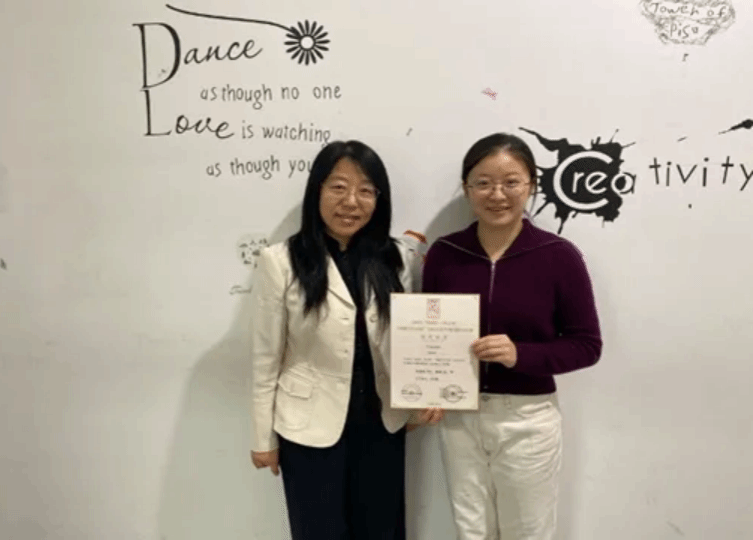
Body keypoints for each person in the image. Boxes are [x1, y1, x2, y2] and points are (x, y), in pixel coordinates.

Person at [250, 140, 442, 540]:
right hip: (308, 427)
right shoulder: (280, 261)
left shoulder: (397, 258)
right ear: (316, 190)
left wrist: (424, 396)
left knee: (381, 530)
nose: (351, 202)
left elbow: (412, 340)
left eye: (365, 190)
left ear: (378, 199)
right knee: (318, 531)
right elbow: (266, 357)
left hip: (382, 423)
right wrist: (263, 437)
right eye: (338, 187)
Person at [422, 133, 603, 540]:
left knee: (528, 532)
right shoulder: (445, 254)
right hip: (459, 417)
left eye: (511, 182)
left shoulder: (559, 256)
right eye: (483, 183)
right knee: (471, 531)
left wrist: (520, 354)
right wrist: (428, 389)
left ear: (531, 185)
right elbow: (428, 334)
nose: (497, 194)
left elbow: (587, 345)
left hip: (527, 419)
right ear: (467, 188)